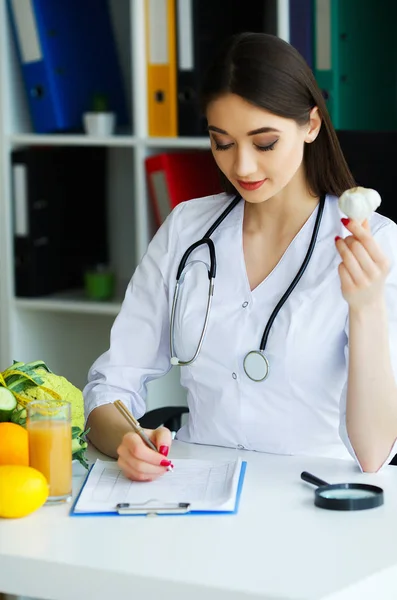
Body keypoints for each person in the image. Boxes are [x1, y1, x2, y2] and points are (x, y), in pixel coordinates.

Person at [83, 32, 397, 480]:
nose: (242, 167)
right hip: (195, 489)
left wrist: (365, 309)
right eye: (222, 143)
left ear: (310, 125)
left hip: (313, 499)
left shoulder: (375, 244)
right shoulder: (187, 230)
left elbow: (374, 453)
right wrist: (127, 440)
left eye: (264, 143)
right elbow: (110, 386)